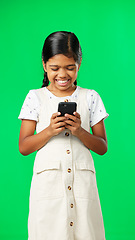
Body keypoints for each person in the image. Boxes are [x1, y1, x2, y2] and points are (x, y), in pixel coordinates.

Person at [18, 31, 109, 240]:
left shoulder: (91, 97)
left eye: (70, 67)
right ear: (44, 64)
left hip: (83, 188)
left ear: (79, 63)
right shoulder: (35, 97)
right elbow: (24, 147)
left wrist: (79, 131)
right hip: (48, 190)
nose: (62, 74)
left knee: (87, 232)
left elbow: (102, 146)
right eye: (55, 68)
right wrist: (50, 130)